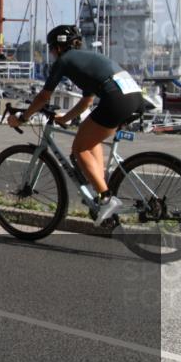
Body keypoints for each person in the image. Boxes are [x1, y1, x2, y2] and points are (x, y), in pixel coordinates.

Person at [8, 25, 145, 225]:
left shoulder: (65, 61)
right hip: (133, 97)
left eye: (52, 48)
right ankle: (101, 193)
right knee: (90, 140)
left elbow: (43, 98)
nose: (52, 53)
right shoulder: (86, 60)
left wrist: (22, 118)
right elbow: (86, 102)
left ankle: (106, 198)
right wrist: (65, 119)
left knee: (79, 148)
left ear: (58, 47)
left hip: (117, 100)